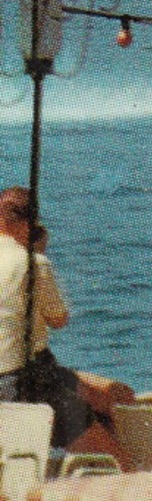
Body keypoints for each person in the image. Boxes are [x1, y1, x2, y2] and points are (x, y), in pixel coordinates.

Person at [0, 187, 89, 446]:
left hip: (27, 373)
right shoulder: (32, 263)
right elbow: (59, 320)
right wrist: (38, 254)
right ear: (30, 224)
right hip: (24, 380)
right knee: (112, 448)